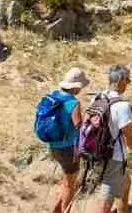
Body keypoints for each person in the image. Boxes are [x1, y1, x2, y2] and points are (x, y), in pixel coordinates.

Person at [95, 65, 132, 213]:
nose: (128, 84)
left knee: (126, 182)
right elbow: (130, 140)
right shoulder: (122, 106)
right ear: (120, 80)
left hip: (96, 151)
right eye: (127, 80)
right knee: (106, 201)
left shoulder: (99, 97)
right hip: (114, 157)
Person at [48, 68, 89, 213]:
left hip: (53, 145)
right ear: (76, 86)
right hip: (68, 148)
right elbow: (79, 125)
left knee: (66, 180)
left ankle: (57, 210)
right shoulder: (73, 102)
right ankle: (66, 210)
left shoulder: (53, 95)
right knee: (70, 185)